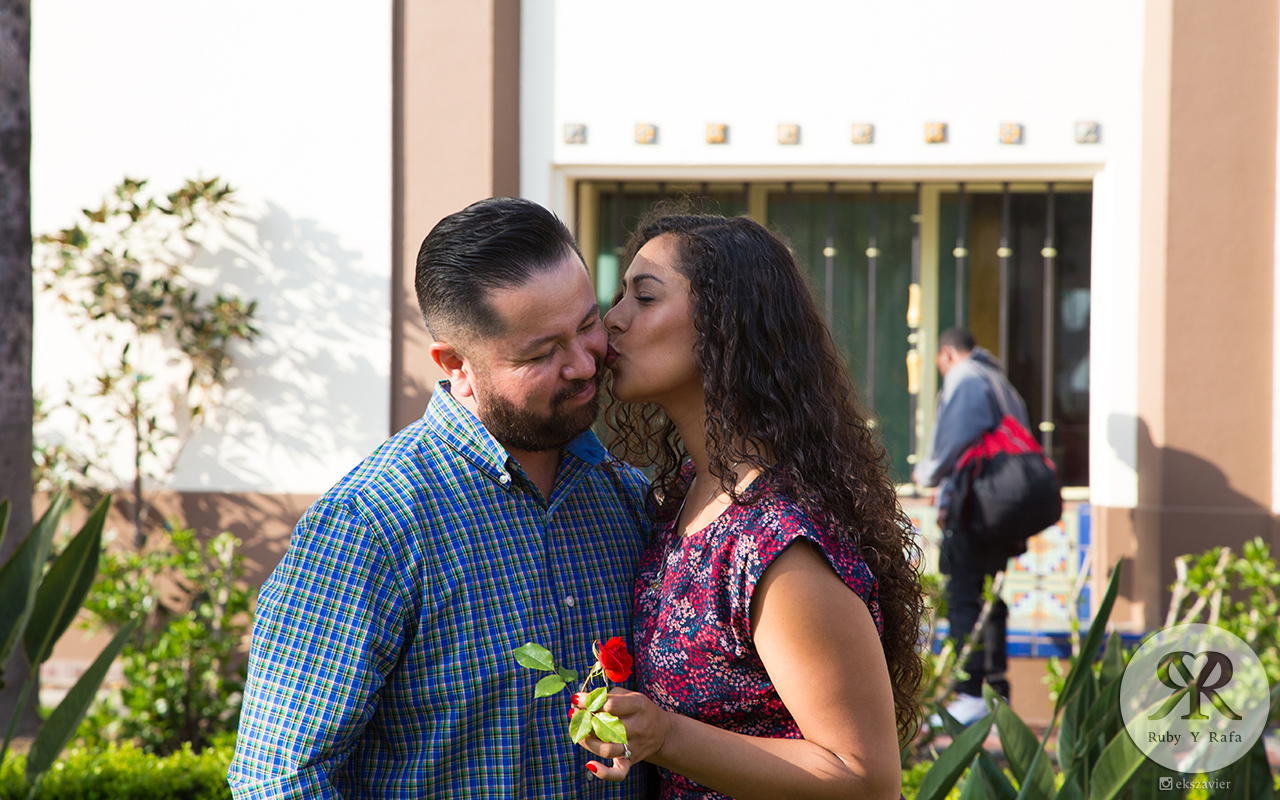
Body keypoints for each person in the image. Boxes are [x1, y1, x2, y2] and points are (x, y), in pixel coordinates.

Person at [228, 197, 652, 799]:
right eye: (541, 353)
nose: (584, 364)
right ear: (456, 364)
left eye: (587, 325)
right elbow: (278, 780)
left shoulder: (626, 498)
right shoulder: (369, 524)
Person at [571, 211, 925, 800]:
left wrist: (665, 735)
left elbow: (867, 779)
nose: (614, 319)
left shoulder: (775, 539)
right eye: (619, 297)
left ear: (723, 326)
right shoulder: (688, 495)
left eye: (645, 297)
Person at [912, 327, 1030, 725]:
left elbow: (952, 441)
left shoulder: (965, 378)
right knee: (989, 598)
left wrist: (927, 473)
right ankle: (995, 691)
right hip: (999, 508)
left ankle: (970, 693)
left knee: (964, 595)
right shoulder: (1000, 381)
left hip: (972, 508)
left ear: (947, 354)